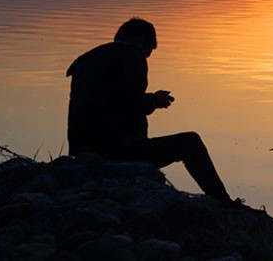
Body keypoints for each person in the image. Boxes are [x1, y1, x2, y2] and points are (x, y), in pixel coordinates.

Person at [66, 18, 241, 206]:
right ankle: (225, 204)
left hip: (83, 149)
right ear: (142, 42)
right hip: (114, 151)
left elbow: (111, 101)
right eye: (148, 52)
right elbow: (130, 103)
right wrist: (155, 100)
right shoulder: (132, 56)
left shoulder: (89, 59)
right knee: (190, 142)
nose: (146, 57)